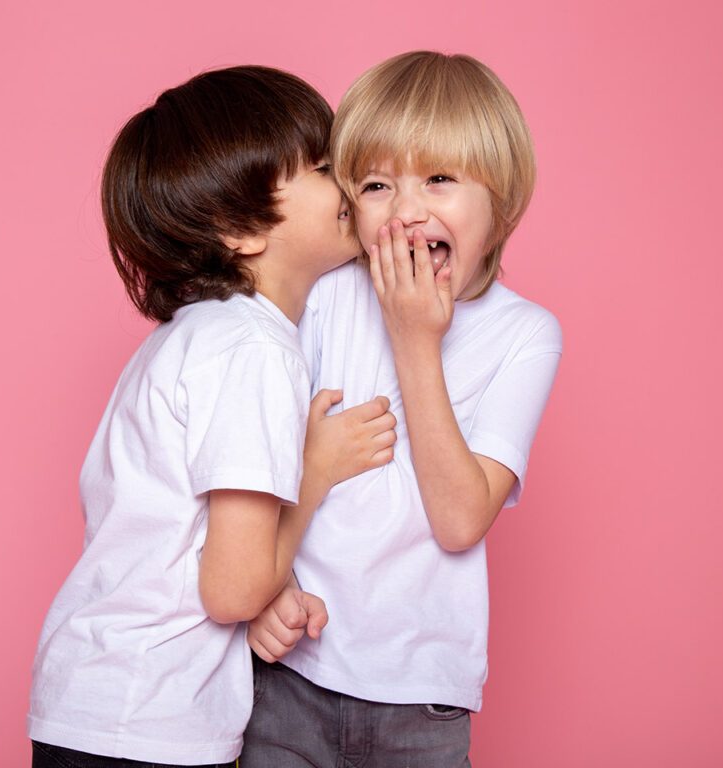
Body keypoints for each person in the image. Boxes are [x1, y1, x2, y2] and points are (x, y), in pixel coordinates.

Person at [27, 65, 396, 768]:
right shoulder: (253, 349)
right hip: (149, 719)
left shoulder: (189, 338)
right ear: (240, 228)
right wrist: (315, 472)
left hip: (93, 701)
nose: (349, 182)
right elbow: (232, 590)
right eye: (322, 167)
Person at [242, 51, 563, 767]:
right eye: (378, 184)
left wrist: (416, 341)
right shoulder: (324, 295)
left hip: (423, 697)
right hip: (293, 674)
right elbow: (258, 458)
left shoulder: (527, 336)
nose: (408, 209)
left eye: (440, 179)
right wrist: (272, 586)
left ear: (503, 201)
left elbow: (458, 520)